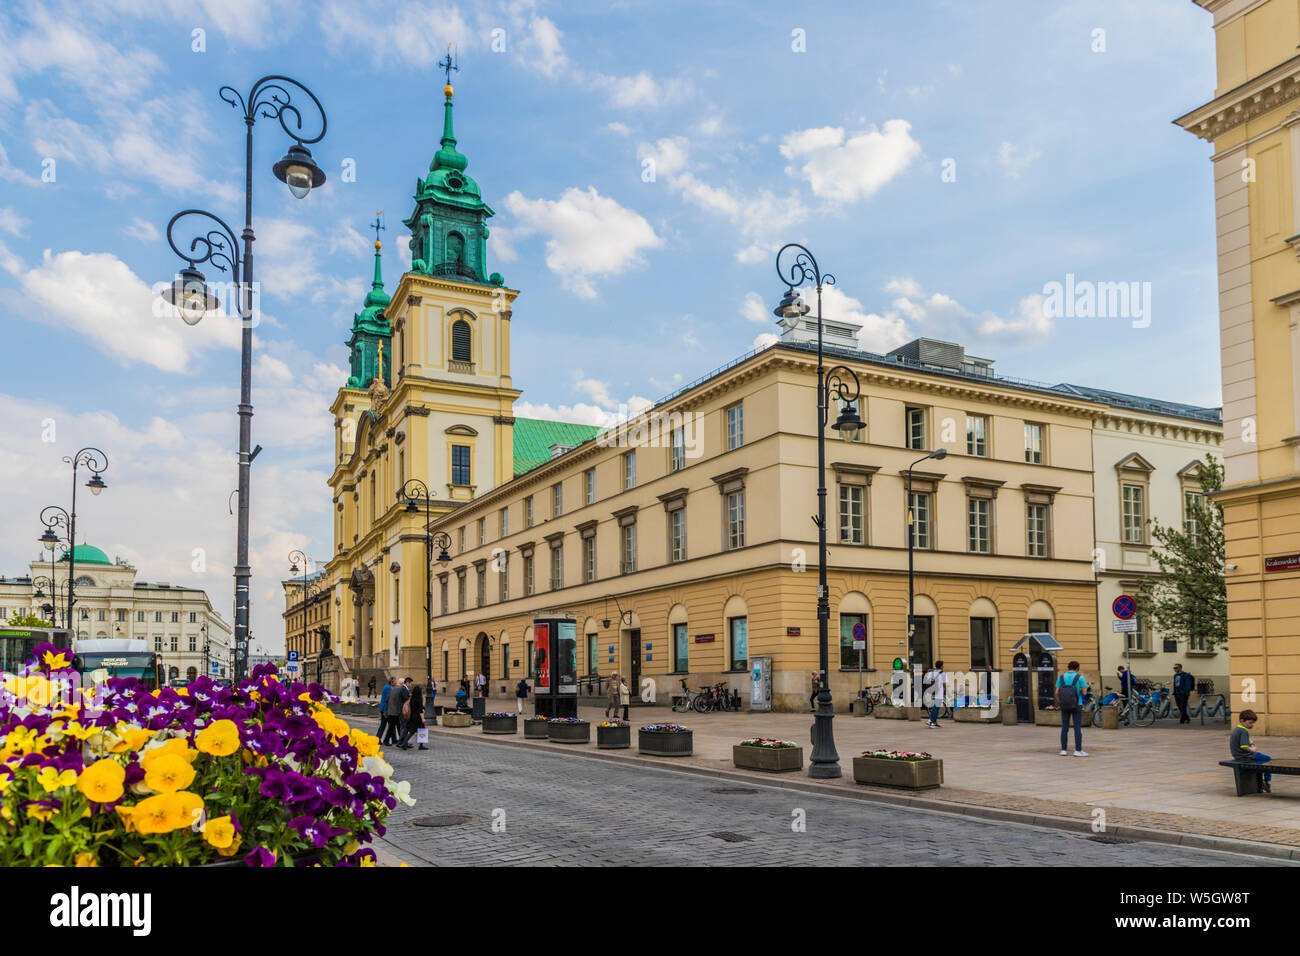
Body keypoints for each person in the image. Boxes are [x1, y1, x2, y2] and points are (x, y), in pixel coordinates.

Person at [1231, 709, 1272, 792]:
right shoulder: (1243, 731)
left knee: (1261, 761)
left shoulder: (1236, 729)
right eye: (1250, 723)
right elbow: (1244, 746)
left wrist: (1251, 744)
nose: (1252, 725)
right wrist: (1252, 749)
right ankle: (1267, 782)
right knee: (1268, 760)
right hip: (1246, 756)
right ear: (1242, 720)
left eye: (1253, 723)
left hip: (1237, 755)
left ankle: (1260, 781)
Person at [1056, 661, 1089, 757]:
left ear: (1068, 667)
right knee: (1077, 727)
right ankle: (1078, 750)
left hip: (1064, 705)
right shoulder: (1080, 678)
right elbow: (1084, 693)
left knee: (1064, 727)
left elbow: (1056, 692)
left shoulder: (1061, 677)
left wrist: (1061, 701)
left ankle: (1063, 750)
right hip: (1077, 705)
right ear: (1077, 668)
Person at [398, 679, 426, 750]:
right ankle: (405, 743)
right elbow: (420, 710)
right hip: (417, 718)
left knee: (409, 729)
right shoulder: (419, 699)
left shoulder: (412, 698)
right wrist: (423, 718)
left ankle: (404, 742)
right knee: (417, 730)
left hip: (411, 716)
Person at [384, 677, 409, 747]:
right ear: (402, 683)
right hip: (396, 711)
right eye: (404, 683)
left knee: (392, 727)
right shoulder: (400, 689)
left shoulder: (392, 689)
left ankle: (389, 740)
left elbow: (387, 700)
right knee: (398, 727)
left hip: (391, 711)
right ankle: (401, 741)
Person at [924, 660, 948, 728]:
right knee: (936, 708)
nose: (943, 666)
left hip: (932, 692)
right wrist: (945, 690)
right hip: (939, 692)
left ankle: (931, 721)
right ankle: (932, 722)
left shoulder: (931, 673)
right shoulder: (943, 674)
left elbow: (927, 682)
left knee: (935, 707)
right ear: (941, 666)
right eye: (943, 665)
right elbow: (944, 684)